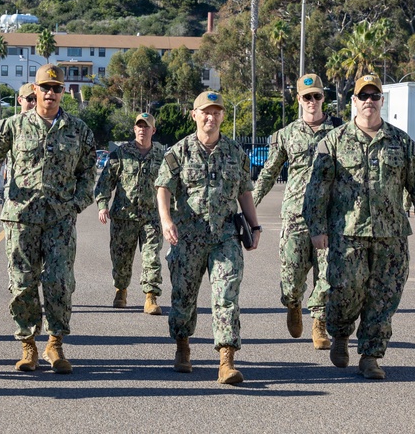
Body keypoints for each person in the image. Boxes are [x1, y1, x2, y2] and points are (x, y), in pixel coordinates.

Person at [0, 64, 96, 374]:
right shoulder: (12, 126)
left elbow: (88, 174)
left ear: (63, 92)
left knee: (59, 283)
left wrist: (75, 205)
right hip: (21, 219)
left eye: (56, 88)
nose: (50, 93)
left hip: (59, 222)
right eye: (45, 88)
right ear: (34, 90)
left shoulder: (79, 130)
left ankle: (55, 343)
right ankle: (28, 345)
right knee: (23, 284)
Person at [302, 73, 415, 380]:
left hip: (391, 235)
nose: (369, 102)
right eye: (363, 97)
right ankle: (339, 332)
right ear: (354, 102)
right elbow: (317, 190)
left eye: (374, 97)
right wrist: (317, 227)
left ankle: (371, 356)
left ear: (382, 102)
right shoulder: (333, 142)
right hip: (346, 234)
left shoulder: (401, 143)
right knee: (346, 291)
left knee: (384, 296)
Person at [155, 91, 262, 385]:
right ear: (194, 115)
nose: (210, 117)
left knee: (226, 296)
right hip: (187, 236)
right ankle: (182, 347)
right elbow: (163, 186)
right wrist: (166, 220)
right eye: (205, 112)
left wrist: (254, 227)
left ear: (223, 116)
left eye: (216, 112)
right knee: (184, 297)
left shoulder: (235, 153)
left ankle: (226, 361)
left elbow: (244, 192)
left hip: (225, 236)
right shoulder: (179, 151)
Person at [253, 74, 341, 351]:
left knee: (328, 275)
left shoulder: (340, 132)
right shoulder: (286, 135)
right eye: (307, 97)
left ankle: (319, 325)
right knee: (291, 277)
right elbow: (268, 173)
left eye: (317, 96)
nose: (312, 101)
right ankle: (293, 304)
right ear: (299, 100)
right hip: (295, 216)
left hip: (329, 216)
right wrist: (248, 205)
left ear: (323, 98)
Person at [94, 112, 166, 315]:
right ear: (134, 129)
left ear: (153, 130)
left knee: (151, 257)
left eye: (146, 126)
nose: (142, 130)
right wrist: (102, 205)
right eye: (139, 126)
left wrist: (173, 213)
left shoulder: (162, 155)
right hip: (123, 217)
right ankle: (121, 290)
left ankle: (150, 296)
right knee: (121, 259)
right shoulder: (121, 153)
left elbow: (172, 185)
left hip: (152, 217)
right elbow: (105, 182)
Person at [0, 82, 36, 208]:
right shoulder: (10, 125)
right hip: (16, 194)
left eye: (37, 99)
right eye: (29, 99)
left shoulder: (46, 126)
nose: (34, 103)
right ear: (20, 100)